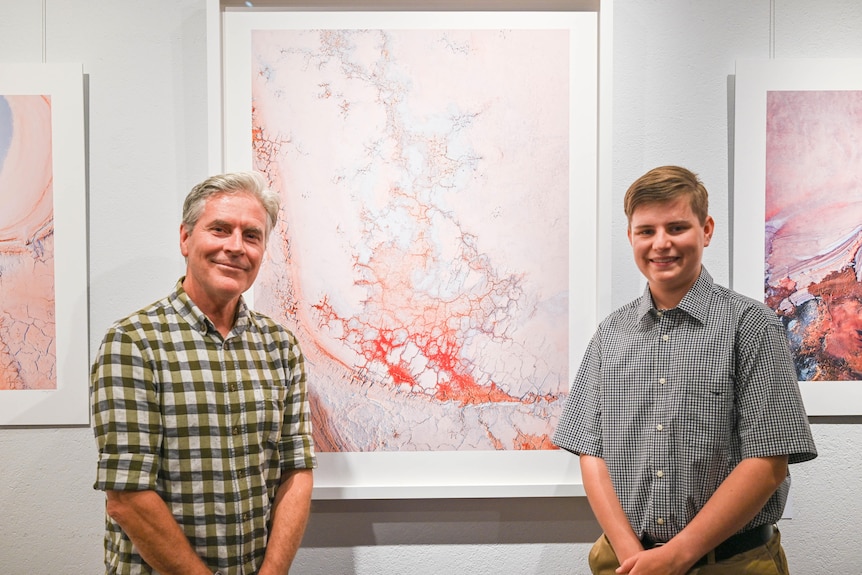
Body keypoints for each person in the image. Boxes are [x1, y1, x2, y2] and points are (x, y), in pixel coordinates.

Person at [553, 166, 817, 575]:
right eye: (646, 231)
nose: (661, 243)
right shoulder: (610, 334)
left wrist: (675, 557)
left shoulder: (751, 326)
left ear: (705, 230)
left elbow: (768, 461)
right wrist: (631, 554)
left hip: (732, 563)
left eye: (676, 227)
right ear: (631, 237)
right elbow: (591, 451)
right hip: (626, 561)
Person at [91, 171, 316, 575]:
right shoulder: (134, 342)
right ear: (185, 238)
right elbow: (126, 496)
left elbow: (296, 470)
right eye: (220, 229)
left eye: (252, 235)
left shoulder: (281, 346)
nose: (236, 246)